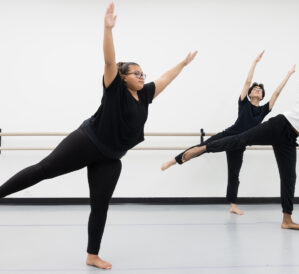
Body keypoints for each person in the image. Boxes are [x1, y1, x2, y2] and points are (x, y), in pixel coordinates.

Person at [0, 2, 197, 269]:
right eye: (136, 73)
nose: (142, 77)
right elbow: (108, 60)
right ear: (124, 75)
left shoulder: (145, 95)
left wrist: (183, 64)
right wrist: (108, 29)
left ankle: (92, 254)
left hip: (111, 157)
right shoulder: (114, 87)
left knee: (100, 205)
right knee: (43, 169)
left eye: (143, 73)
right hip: (87, 141)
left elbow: (164, 79)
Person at [179, 18, 299, 231]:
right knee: (241, 139)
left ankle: (286, 219)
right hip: (280, 124)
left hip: (291, 137)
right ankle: (204, 148)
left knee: (289, 176)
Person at [162, 51, 296, 215]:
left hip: (240, 143)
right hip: (229, 133)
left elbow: (276, 93)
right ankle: (173, 161)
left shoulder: (263, 110)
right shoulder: (243, 103)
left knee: (234, 173)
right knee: (202, 146)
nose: (257, 90)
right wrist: (255, 62)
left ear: (262, 96)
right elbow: (247, 81)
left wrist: (288, 75)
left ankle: (232, 205)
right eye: (255, 89)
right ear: (249, 93)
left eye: (260, 90)